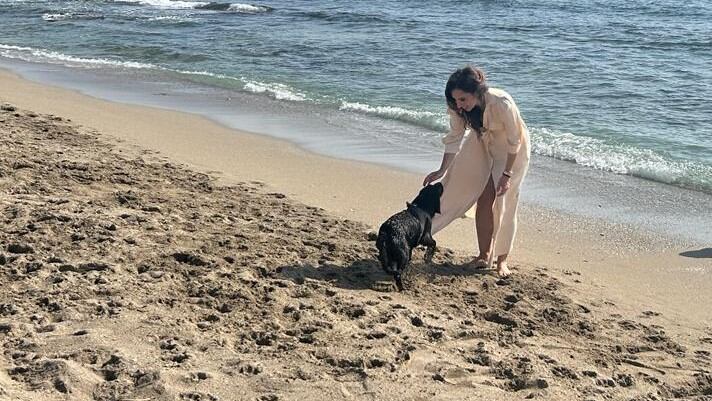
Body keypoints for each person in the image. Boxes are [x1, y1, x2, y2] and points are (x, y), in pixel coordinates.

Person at [423, 66, 530, 277]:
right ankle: (483, 255)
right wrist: (441, 170)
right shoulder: (457, 107)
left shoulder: (501, 102)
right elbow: (454, 137)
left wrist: (506, 175)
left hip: (512, 153)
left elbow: (514, 141)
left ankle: (502, 261)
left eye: (463, 99)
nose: (459, 105)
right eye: (456, 100)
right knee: (475, 193)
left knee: (503, 202)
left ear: (477, 92)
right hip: (482, 143)